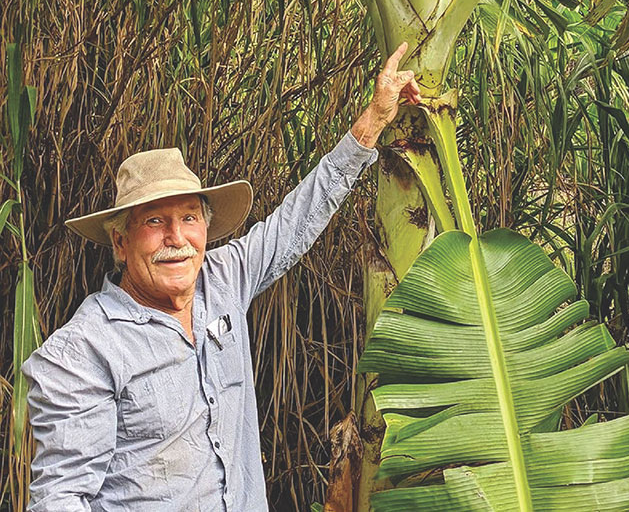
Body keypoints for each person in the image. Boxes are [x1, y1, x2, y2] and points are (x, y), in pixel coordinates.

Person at [22, 42, 422, 512]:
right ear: (120, 242)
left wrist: (374, 118)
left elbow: (294, 223)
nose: (177, 237)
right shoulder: (83, 354)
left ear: (206, 228)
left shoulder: (222, 278)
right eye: (154, 222)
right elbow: (60, 499)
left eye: (189, 218)